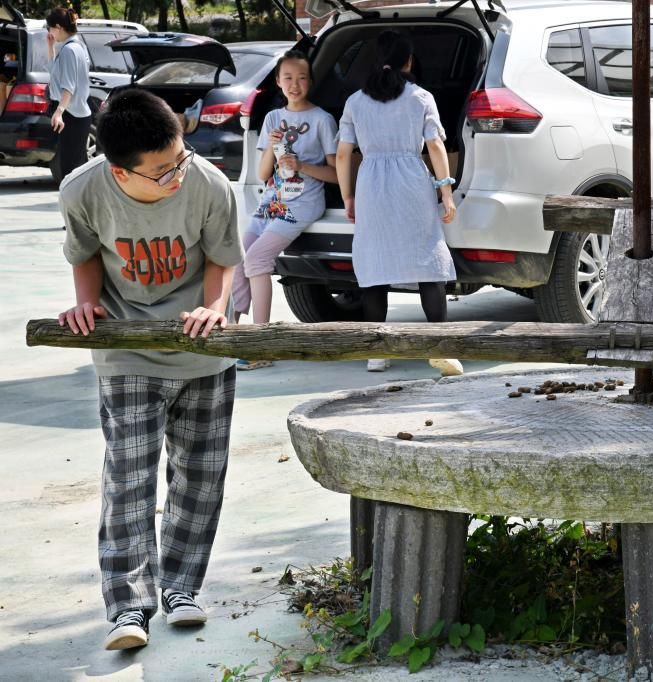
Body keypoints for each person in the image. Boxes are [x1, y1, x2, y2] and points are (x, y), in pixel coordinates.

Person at [57, 89, 243, 651]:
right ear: (121, 171)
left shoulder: (209, 183)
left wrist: (215, 308)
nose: (177, 175)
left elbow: (221, 256)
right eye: (162, 171)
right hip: (127, 345)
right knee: (129, 477)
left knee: (200, 472)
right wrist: (87, 302)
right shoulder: (82, 190)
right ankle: (127, 607)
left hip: (202, 346)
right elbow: (85, 251)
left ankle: (182, 588)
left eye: (180, 157)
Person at [336, 31, 462, 376]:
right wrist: (446, 193)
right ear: (409, 61)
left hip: (371, 185)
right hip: (412, 182)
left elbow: (345, 153)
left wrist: (348, 195)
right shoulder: (421, 98)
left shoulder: (355, 102)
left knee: (375, 267)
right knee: (428, 261)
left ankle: (377, 352)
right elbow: (435, 146)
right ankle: (441, 350)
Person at [232, 50, 338, 370]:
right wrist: (276, 149)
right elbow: (264, 174)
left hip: (303, 202)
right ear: (278, 82)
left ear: (311, 82)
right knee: (239, 259)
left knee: (258, 259)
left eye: (302, 77)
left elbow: (336, 173)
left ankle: (263, 346)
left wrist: (302, 165)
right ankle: (228, 333)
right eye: (288, 78)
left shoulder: (322, 120)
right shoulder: (272, 119)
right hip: (273, 201)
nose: (295, 84)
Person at [46, 7, 91, 182]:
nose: (49, 32)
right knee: (76, 168)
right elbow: (55, 72)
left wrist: (59, 112)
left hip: (72, 116)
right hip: (77, 115)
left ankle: (76, 207)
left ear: (58, 27)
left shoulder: (70, 50)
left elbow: (68, 87)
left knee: (70, 170)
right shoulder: (77, 46)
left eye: (49, 28)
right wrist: (50, 47)